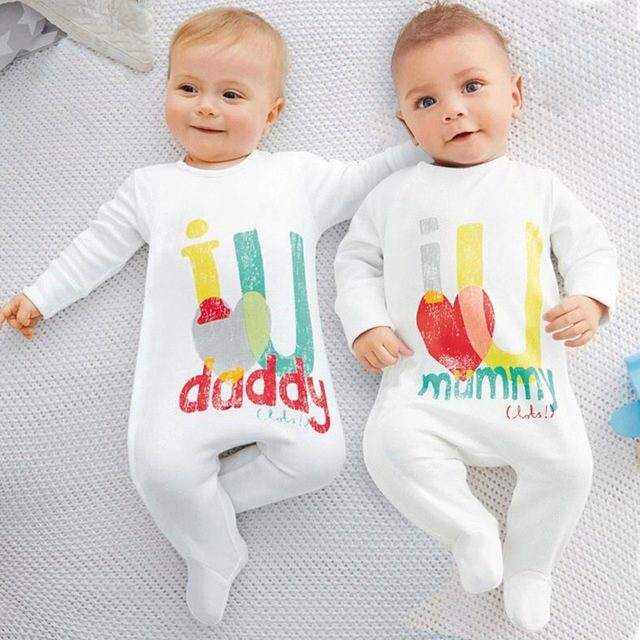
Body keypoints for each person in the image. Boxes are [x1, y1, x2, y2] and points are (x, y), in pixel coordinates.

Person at [0, 7, 423, 626]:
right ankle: (214, 548)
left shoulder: (295, 177)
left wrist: (427, 140)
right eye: (188, 88)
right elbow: (97, 249)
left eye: (231, 95)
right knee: (160, 468)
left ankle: (207, 514)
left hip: (282, 377)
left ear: (271, 114)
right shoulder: (150, 187)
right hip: (185, 380)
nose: (206, 107)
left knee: (318, 461)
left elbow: (368, 178)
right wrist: (41, 295)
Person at [334, 2, 618, 633]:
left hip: (527, 388)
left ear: (514, 95)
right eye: (426, 101)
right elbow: (354, 264)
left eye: (471, 86)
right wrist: (366, 322)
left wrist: (592, 299)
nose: (453, 110)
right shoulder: (392, 196)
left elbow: (592, 248)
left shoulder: (538, 188)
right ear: (407, 124)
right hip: (427, 389)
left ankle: (531, 566)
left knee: (569, 468)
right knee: (389, 448)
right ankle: (469, 530)